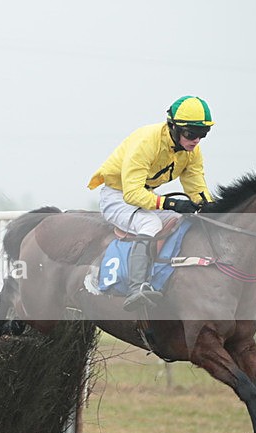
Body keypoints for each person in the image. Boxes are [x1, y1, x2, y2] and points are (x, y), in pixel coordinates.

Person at [88, 95, 215, 311]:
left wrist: (210, 209)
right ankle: (136, 288)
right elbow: (132, 194)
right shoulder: (146, 142)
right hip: (117, 197)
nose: (196, 140)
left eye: (203, 134)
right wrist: (172, 203)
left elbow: (196, 187)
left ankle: (161, 275)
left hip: (143, 196)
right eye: (191, 133)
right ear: (173, 127)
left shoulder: (192, 152)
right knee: (151, 225)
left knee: (179, 220)